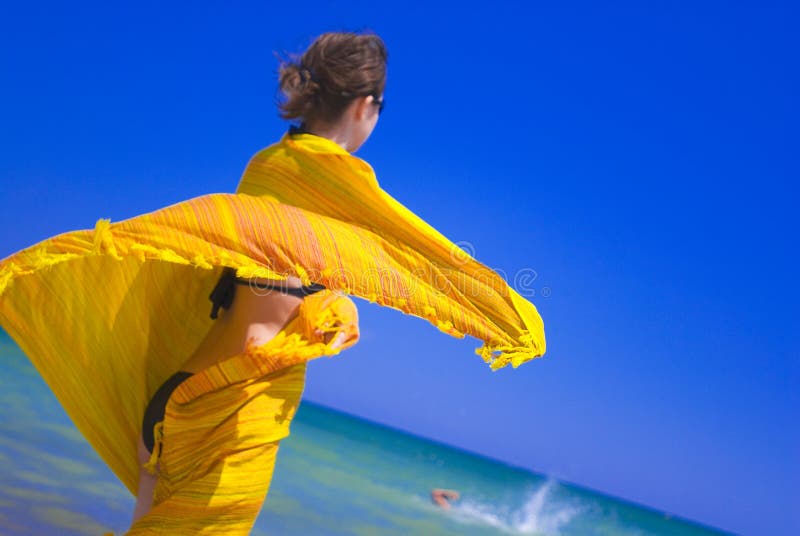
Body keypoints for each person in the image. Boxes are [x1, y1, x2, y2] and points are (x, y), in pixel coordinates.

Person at [0, 29, 546, 536]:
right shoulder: (336, 182)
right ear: (365, 105)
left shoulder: (265, 166)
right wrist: (501, 315)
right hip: (233, 411)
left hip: (175, 397)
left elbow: (262, 275)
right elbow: (415, 256)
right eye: (380, 107)